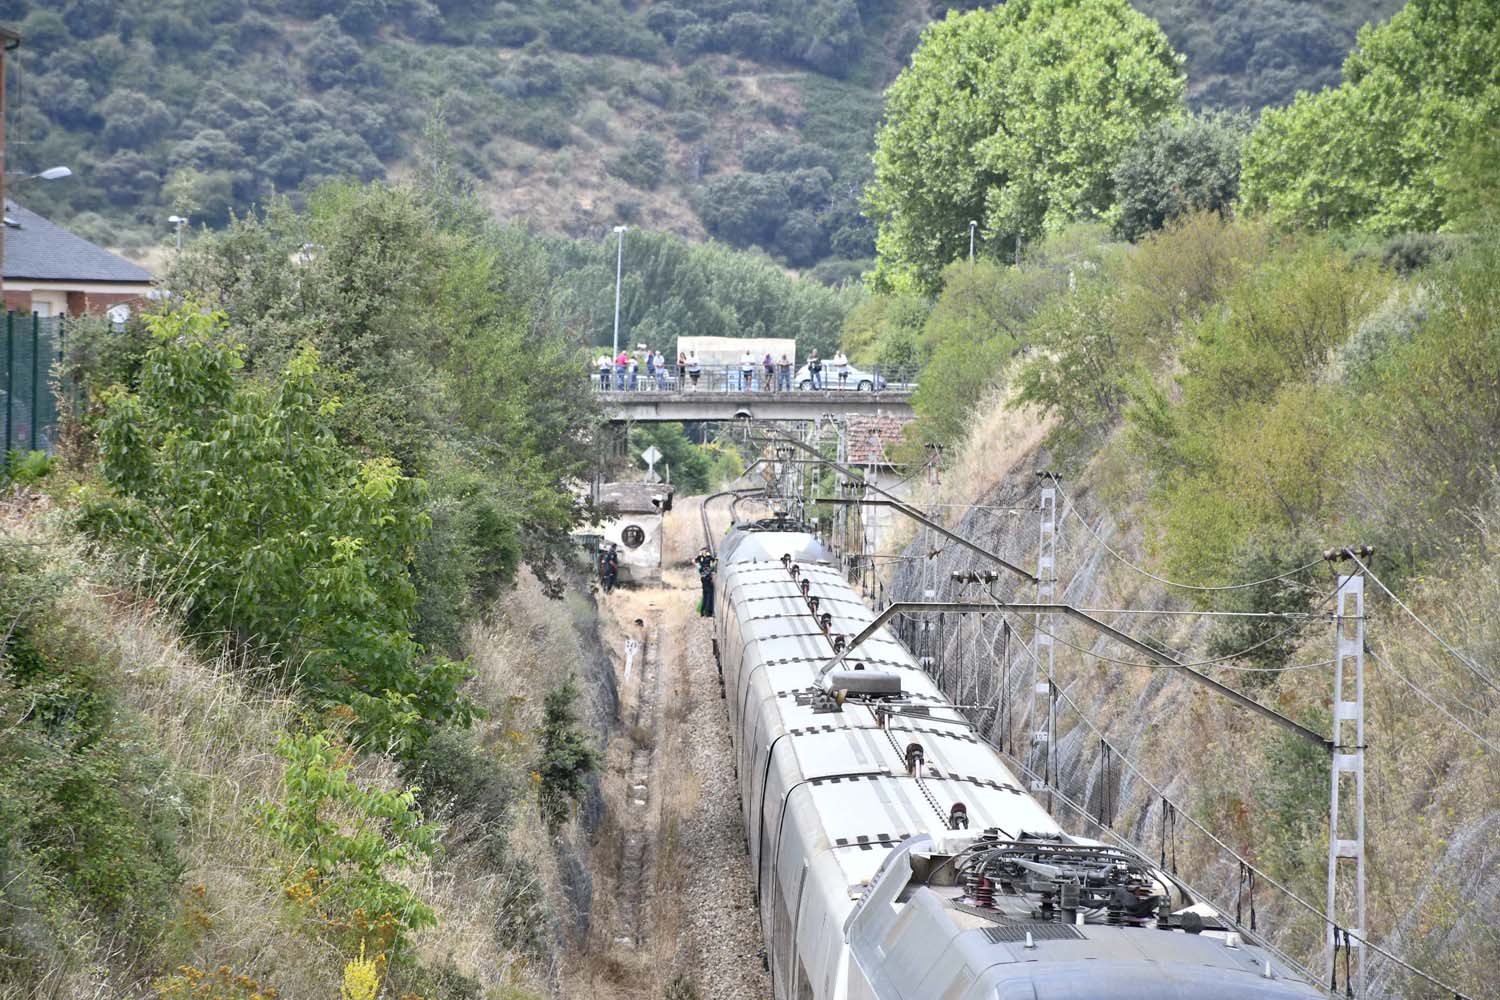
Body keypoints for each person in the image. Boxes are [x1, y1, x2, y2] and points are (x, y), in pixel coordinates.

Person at [694, 547, 717, 617]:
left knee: (705, 595)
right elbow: (715, 562)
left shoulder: (704, 557)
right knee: (709, 595)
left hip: (705, 578)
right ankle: (708, 612)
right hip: (706, 578)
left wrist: (700, 568)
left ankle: (702, 612)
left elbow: (694, 561)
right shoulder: (705, 557)